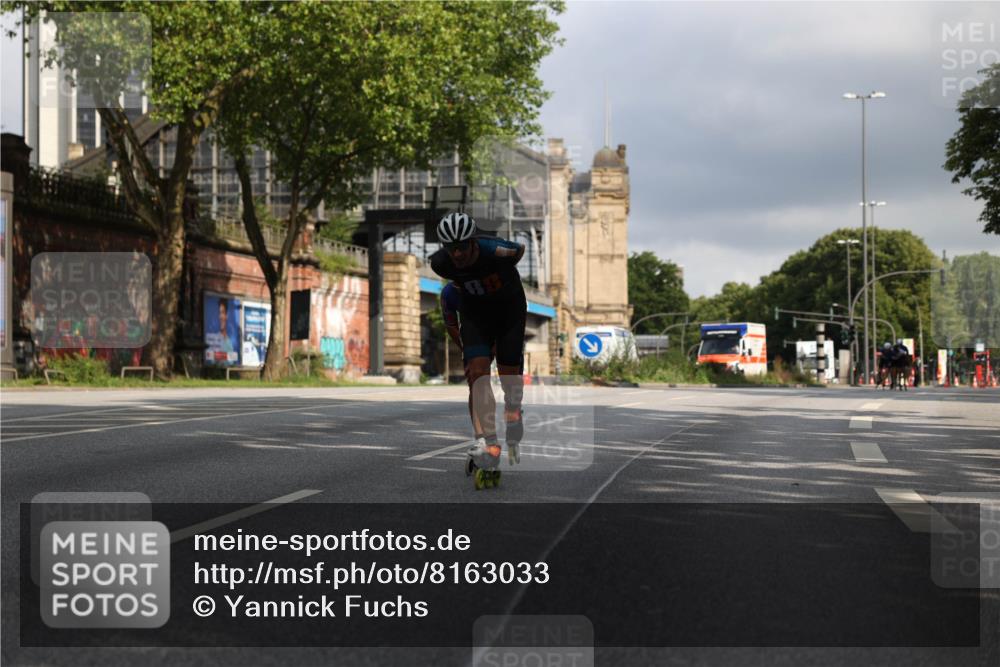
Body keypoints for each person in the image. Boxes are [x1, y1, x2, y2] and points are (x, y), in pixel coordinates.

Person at [429, 212, 526, 478]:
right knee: (477, 374)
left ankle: (514, 411)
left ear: (473, 242)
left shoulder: (497, 250)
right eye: (451, 248)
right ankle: (487, 442)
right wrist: (471, 353)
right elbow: (452, 321)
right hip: (476, 316)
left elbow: (520, 250)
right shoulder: (440, 263)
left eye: (462, 246)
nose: (457, 254)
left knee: (509, 379)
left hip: (509, 313)